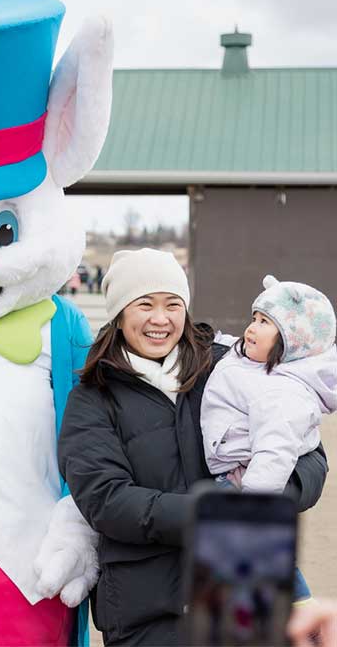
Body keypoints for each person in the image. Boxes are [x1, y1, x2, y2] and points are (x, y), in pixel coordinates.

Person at [58, 248, 328, 646]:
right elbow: (105, 499)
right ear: (118, 314)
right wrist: (211, 514)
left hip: (246, 595)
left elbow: (311, 459)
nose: (160, 319)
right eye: (144, 304)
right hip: (147, 613)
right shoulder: (94, 396)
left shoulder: (230, 365)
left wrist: (261, 498)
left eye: (172, 304)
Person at [201, 274, 337, 603]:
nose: (252, 328)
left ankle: (302, 615)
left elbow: (274, 453)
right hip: (233, 475)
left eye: (265, 322)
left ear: (292, 342)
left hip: (241, 484)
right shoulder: (255, 363)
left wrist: (252, 503)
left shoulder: (282, 392)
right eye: (255, 318)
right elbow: (233, 354)